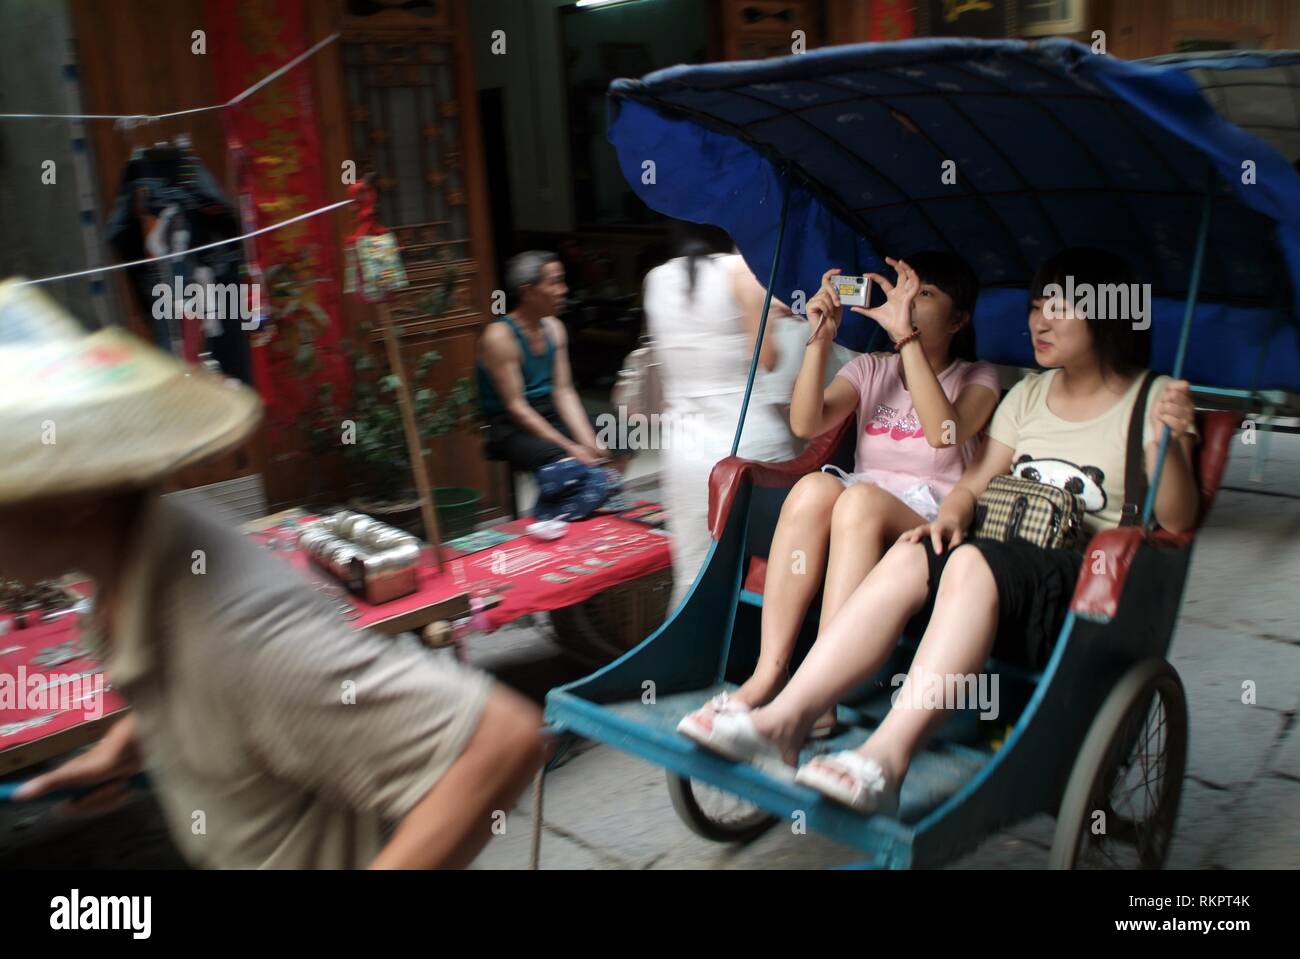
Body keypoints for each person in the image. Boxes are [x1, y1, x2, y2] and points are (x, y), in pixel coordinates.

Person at [2, 280, 545, 868]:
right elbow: (201, 681)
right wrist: (129, 744)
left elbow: (499, 743)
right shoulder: (129, 568)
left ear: (74, 493)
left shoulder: (238, 635)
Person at [684, 248, 1201, 815]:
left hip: (1073, 579)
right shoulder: (1028, 394)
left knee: (959, 556)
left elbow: (1176, 524)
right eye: (1034, 308)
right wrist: (952, 517)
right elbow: (976, 480)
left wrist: (1168, 443)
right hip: (996, 552)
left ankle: (884, 760)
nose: (1039, 322)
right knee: (912, 553)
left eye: (1058, 308)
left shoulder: (1152, 398)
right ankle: (786, 718)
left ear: (1107, 315)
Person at [678, 251, 1000, 741]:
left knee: (857, 499)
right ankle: (770, 674)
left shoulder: (978, 377)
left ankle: (817, 696)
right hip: (862, 504)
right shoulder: (872, 368)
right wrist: (820, 341)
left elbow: (944, 432)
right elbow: (806, 424)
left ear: (960, 319)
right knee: (813, 488)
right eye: (901, 288)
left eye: (924, 293)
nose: (906, 300)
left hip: (933, 518)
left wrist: (906, 341)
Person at [643, 223, 802, 610]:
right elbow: (766, 359)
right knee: (773, 562)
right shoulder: (742, 272)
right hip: (748, 447)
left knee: (694, 567)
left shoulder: (656, 279)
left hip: (684, 450)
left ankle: (686, 658)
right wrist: (774, 318)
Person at [476, 251, 612, 471]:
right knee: (567, 463)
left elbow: (563, 391)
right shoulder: (500, 337)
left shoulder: (554, 328)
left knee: (619, 438)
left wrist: (588, 439)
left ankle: (607, 500)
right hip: (509, 424)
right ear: (528, 291)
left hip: (549, 410)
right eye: (555, 283)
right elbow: (517, 408)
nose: (564, 290)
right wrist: (570, 447)